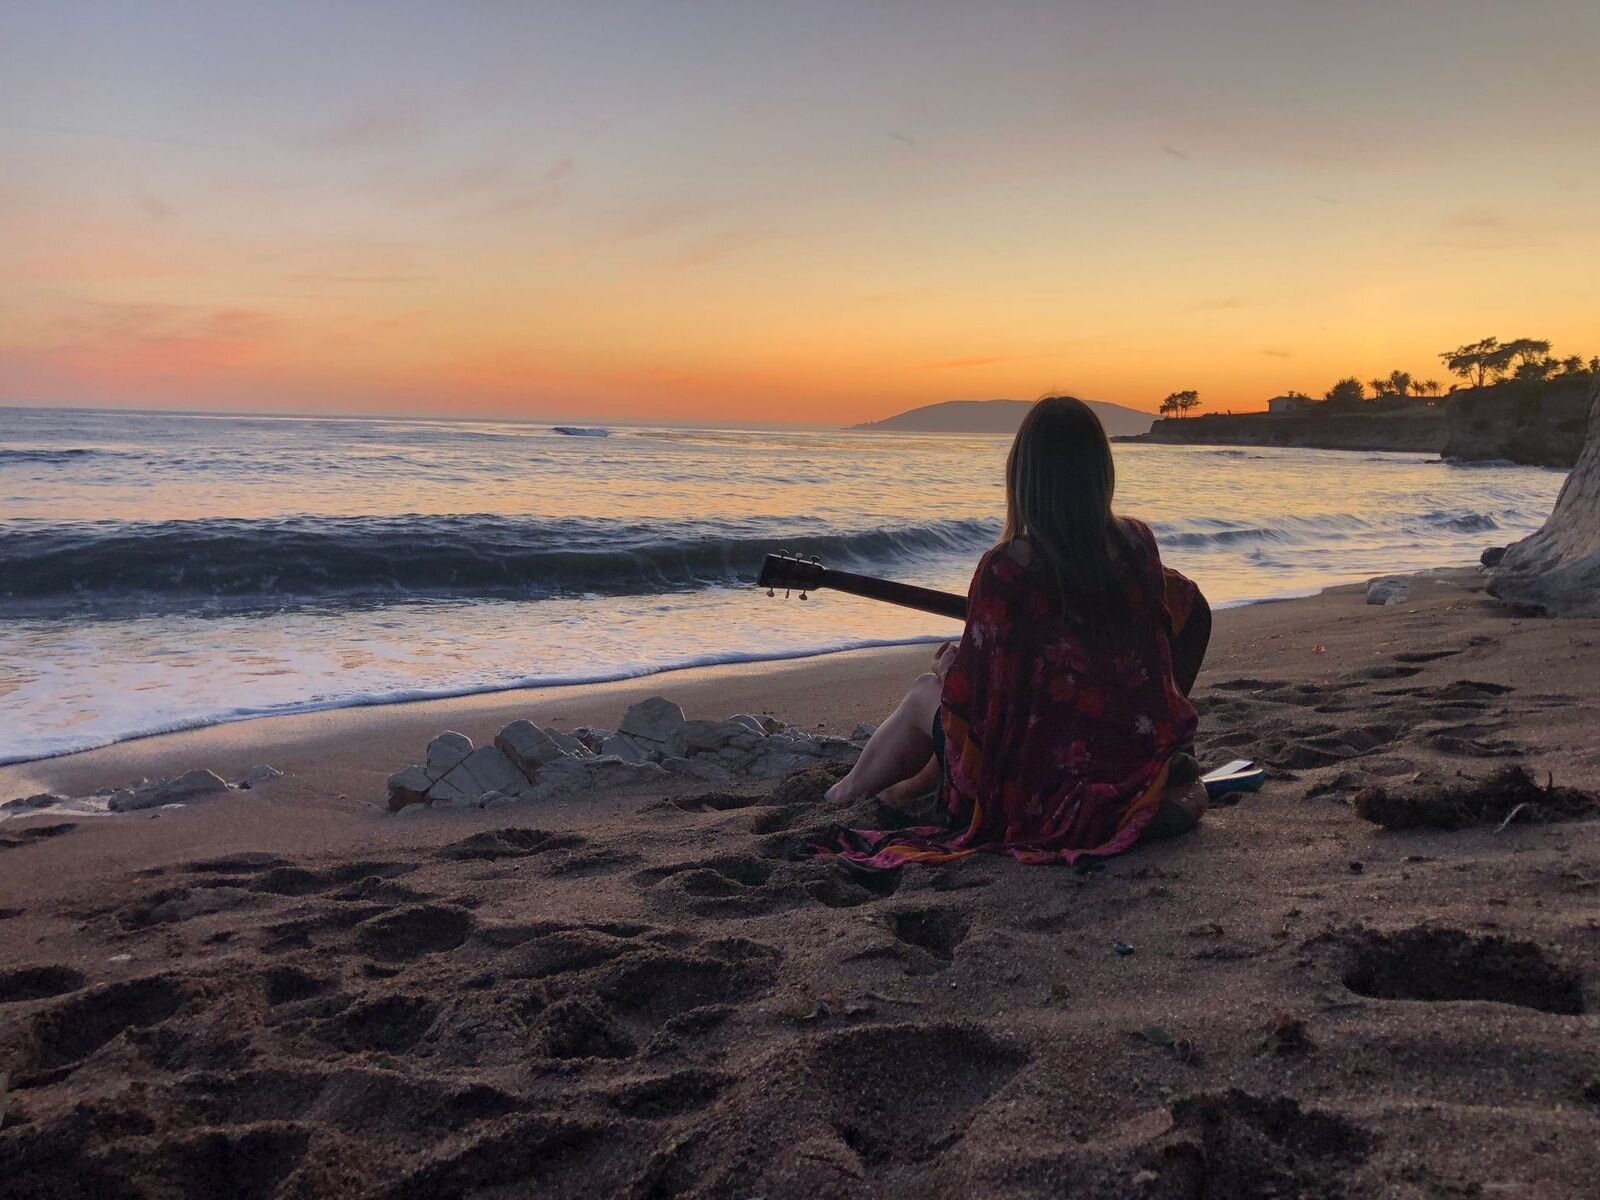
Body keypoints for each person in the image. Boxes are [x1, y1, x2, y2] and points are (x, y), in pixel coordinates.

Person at [816, 395, 1211, 867]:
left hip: (1036, 784)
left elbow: (979, 701)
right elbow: (1193, 607)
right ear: (1101, 472)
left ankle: (840, 794)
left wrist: (948, 669)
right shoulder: (1135, 543)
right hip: (1134, 761)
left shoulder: (1006, 569)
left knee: (927, 691)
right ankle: (903, 787)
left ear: (1023, 476)